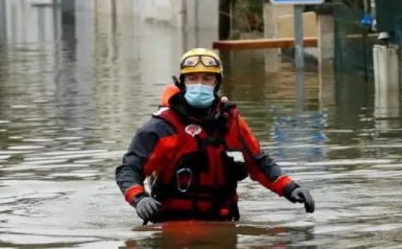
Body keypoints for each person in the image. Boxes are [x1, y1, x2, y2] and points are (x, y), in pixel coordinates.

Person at [115, 48, 315, 223]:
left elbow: (258, 162)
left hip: (222, 221)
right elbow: (129, 169)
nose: (199, 84)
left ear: (217, 83)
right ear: (182, 83)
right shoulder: (162, 126)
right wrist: (139, 198)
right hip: (173, 224)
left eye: (207, 78)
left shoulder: (230, 121)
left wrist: (290, 188)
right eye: (192, 78)